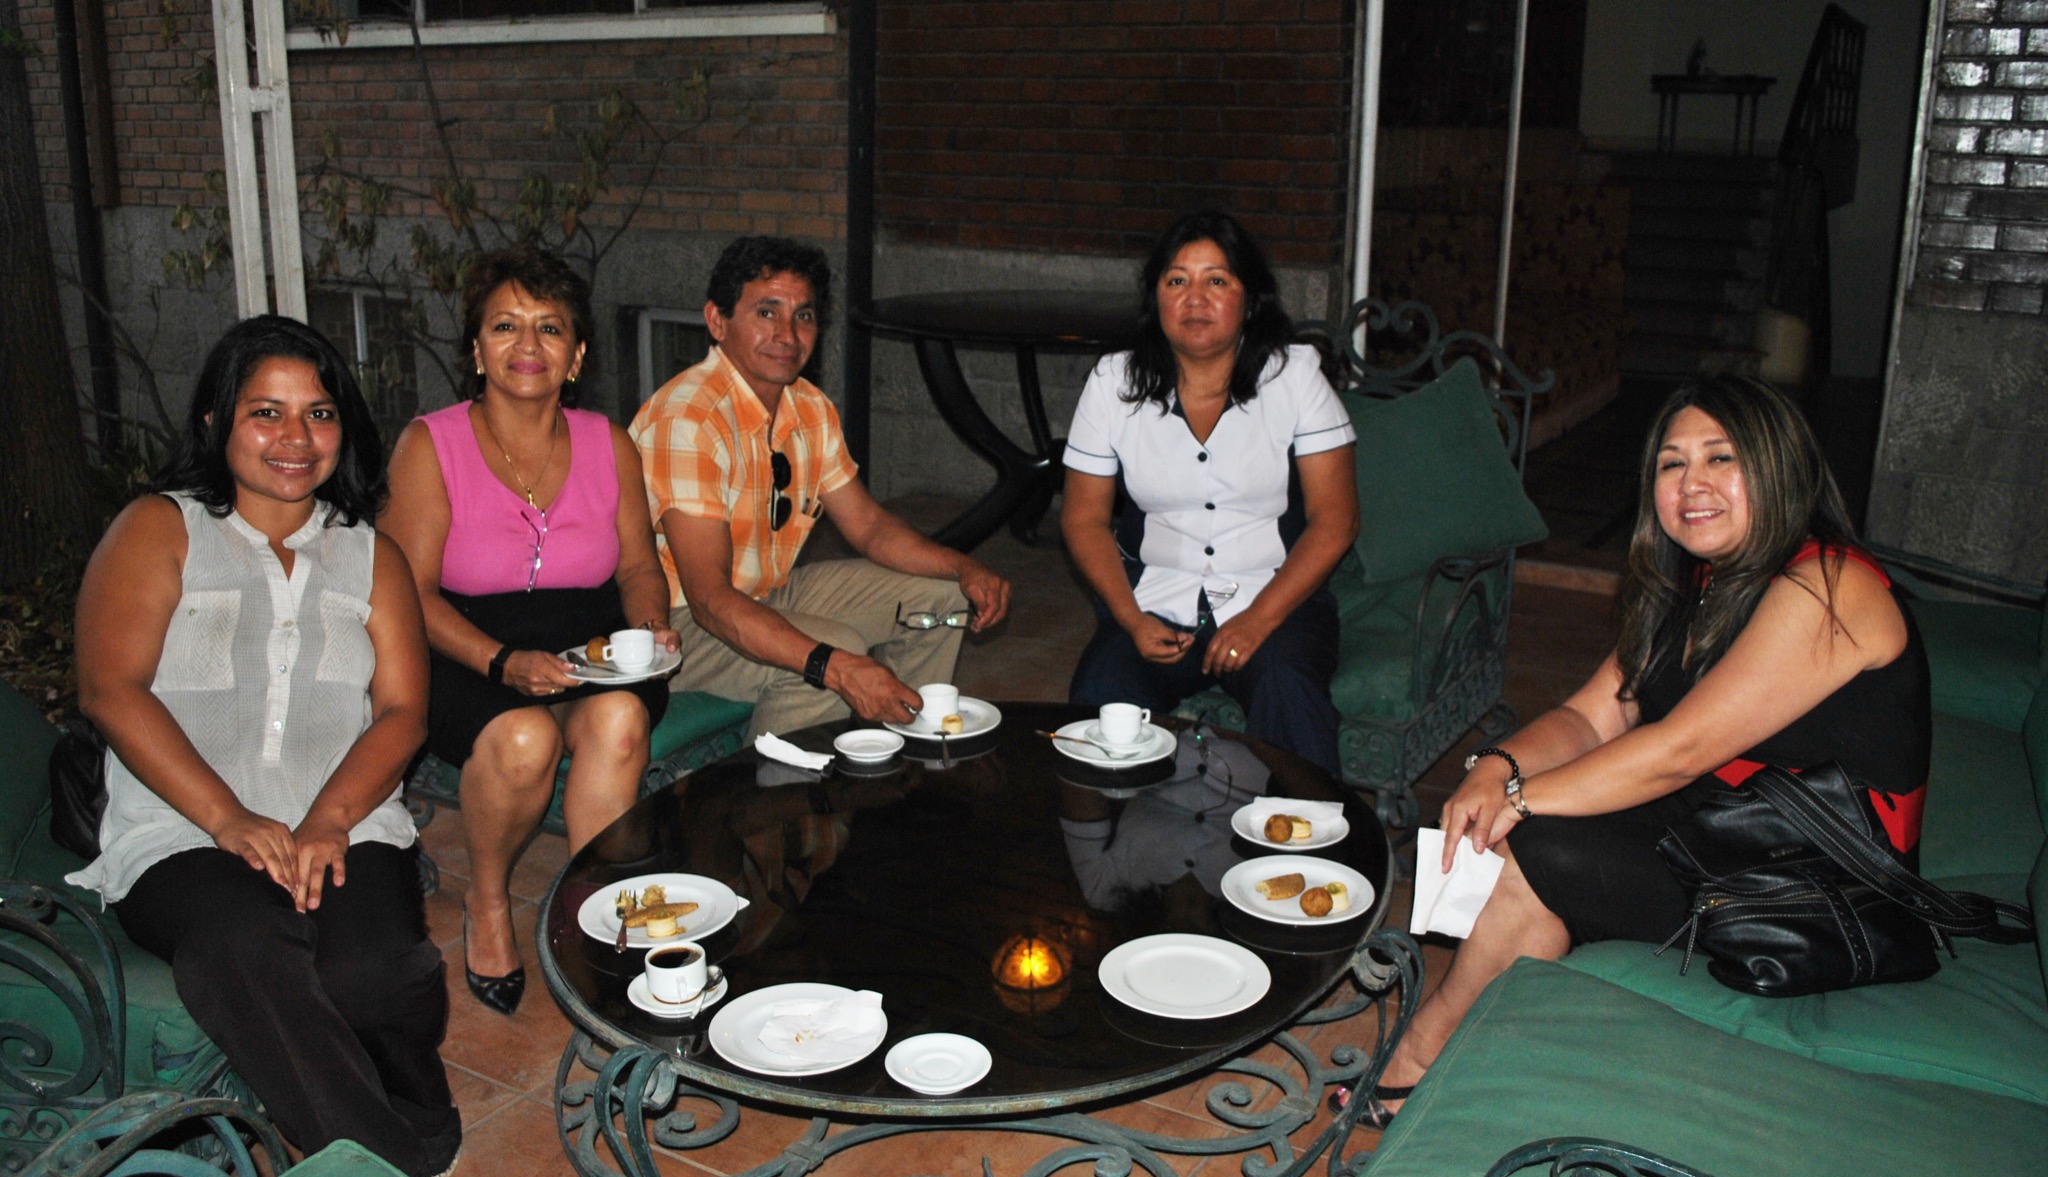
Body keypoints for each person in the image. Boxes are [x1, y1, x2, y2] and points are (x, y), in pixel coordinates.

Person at [1369, 374, 1930, 1126]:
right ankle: (1482, 1060)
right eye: (1672, 464)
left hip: (1817, 884)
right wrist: (1497, 768)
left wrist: (1519, 800)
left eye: (1721, 458)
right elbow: (1591, 715)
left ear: (1781, 466)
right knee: (1523, 832)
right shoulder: (1698, 582)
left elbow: (1678, 750)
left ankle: (1421, 1055)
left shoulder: (1828, 586)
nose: (1692, 484)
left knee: (1540, 844)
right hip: (1725, 829)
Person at [66, 316, 460, 1177]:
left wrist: (328, 819)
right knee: (245, 942)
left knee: (372, 972)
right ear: (216, 421)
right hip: (182, 831)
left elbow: (402, 713)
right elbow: (110, 689)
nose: (295, 437)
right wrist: (230, 820)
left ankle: (425, 1120)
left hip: (345, 817)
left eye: (318, 413)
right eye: (266, 412)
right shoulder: (159, 528)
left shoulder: (371, 555)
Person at [382, 246, 676, 1016]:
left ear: (575, 356)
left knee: (618, 718)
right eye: (505, 325)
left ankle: (598, 916)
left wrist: (651, 630)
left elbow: (639, 567)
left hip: (592, 654)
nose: (528, 345)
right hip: (463, 653)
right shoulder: (430, 445)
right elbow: (407, 593)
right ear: (476, 349)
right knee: (523, 739)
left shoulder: (609, 442)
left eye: (550, 328)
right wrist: (502, 661)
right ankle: (488, 901)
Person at [631, 235, 1011, 738]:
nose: (788, 334)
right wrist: (833, 666)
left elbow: (869, 526)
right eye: (767, 312)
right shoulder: (688, 418)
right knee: (831, 657)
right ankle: (778, 781)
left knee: (941, 602)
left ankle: (909, 753)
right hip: (680, 629)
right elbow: (709, 600)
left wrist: (962, 567)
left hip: (767, 597)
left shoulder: (809, 407)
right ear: (717, 321)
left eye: (804, 316)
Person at [1061, 209, 1360, 775]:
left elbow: (1335, 521)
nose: (1194, 298)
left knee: (1289, 690)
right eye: (1177, 280)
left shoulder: (1294, 378)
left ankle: (1310, 827)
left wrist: (1258, 620)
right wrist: (1130, 619)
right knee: (1101, 697)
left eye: (1216, 280)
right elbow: (1083, 520)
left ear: (1250, 299)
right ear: (1156, 296)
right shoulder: (1114, 383)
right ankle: (1114, 826)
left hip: (1272, 599)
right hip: (1155, 598)